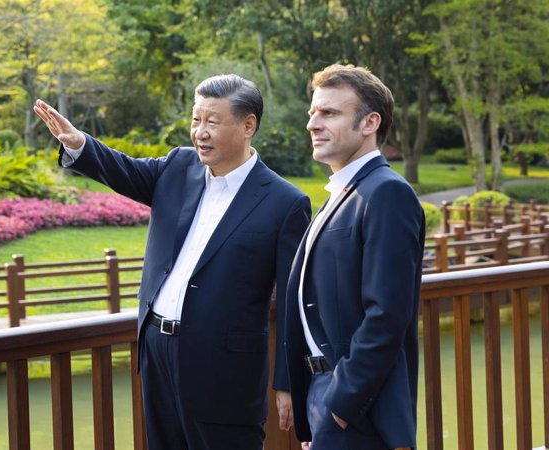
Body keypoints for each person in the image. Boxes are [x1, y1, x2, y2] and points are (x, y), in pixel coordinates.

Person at [34, 74, 311, 450]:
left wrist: (288, 382)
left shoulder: (285, 202)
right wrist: (79, 143)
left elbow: (295, 300)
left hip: (224, 371)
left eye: (212, 121)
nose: (200, 132)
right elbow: (123, 169)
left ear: (249, 126)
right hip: (157, 352)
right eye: (196, 120)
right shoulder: (179, 167)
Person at [282, 64, 425, 450]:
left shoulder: (387, 194)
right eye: (312, 112)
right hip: (323, 394)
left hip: (359, 408)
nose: (313, 123)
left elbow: (386, 316)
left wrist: (338, 409)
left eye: (329, 113)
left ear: (369, 123)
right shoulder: (340, 193)